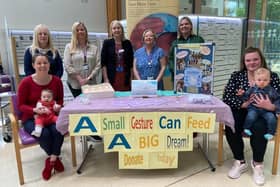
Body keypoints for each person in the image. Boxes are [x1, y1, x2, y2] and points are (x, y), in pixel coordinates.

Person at [223, 47, 280, 185]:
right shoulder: (237, 76)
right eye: (248, 60)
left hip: (264, 112)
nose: (252, 62)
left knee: (260, 127)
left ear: (261, 60)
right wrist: (245, 104)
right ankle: (240, 161)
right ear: (244, 61)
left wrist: (271, 106)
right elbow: (226, 98)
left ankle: (257, 164)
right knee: (232, 123)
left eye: (255, 59)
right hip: (243, 109)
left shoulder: (272, 77)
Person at [18, 53, 65, 181]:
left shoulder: (56, 81)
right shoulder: (26, 82)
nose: (42, 65)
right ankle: (54, 158)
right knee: (43, 134)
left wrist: (58, 106)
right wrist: (34, 109)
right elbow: (20, 105)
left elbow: (60, 99)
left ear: (49, 64)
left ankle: (51, 160)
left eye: (45, 63)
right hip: (31, 117)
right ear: (33, 65)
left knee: (58, 129)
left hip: (51, 115)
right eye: (39, 63)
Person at [236, 67, 280, 140]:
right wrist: (242, 95)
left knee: (272, 118)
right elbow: (246, 97)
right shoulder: (252, 89)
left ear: (269, 81)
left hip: (267, 111)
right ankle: (246, 128)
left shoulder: (271, 90)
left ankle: (271, 133)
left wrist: (277, 110)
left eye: (265, 80)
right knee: (250, 116)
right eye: (259, 80)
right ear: (255, 80)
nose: (262, 82)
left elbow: (277, 99)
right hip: (254, 109)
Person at [64, 21, 101, 97]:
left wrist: (89, 78)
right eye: (77, 30)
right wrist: (79, 79)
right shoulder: (69, 47)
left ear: (86, 31)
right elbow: (67, 66)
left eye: (82, 29)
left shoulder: (94, 48)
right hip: (75, 84)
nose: (80, 32)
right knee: (79, 106)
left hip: (91, 84)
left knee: (92, 105)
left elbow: (98, 65)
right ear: (74, 33)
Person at [168, 16, 204, 83]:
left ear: (191, 26)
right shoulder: (175, 42)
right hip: (179, 77)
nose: (184, 26)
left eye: (186, 24)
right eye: (181, 25)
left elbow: (204, 56)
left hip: (194, 75)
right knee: (180, 92)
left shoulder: (199, 40)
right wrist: (175, 69)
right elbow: (170, 58)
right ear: (179, 28)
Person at [101, 20, 134, 91]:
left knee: (125, 99)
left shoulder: (127, 43)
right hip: (111, 77)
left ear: (122, 29)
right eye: (114, 28)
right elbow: (103, 63)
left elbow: (131, 64)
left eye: (118, 28)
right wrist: (106, 79)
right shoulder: (107, 43)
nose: (116, 30)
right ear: (111, 30)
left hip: (125, 77)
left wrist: (131, 79)